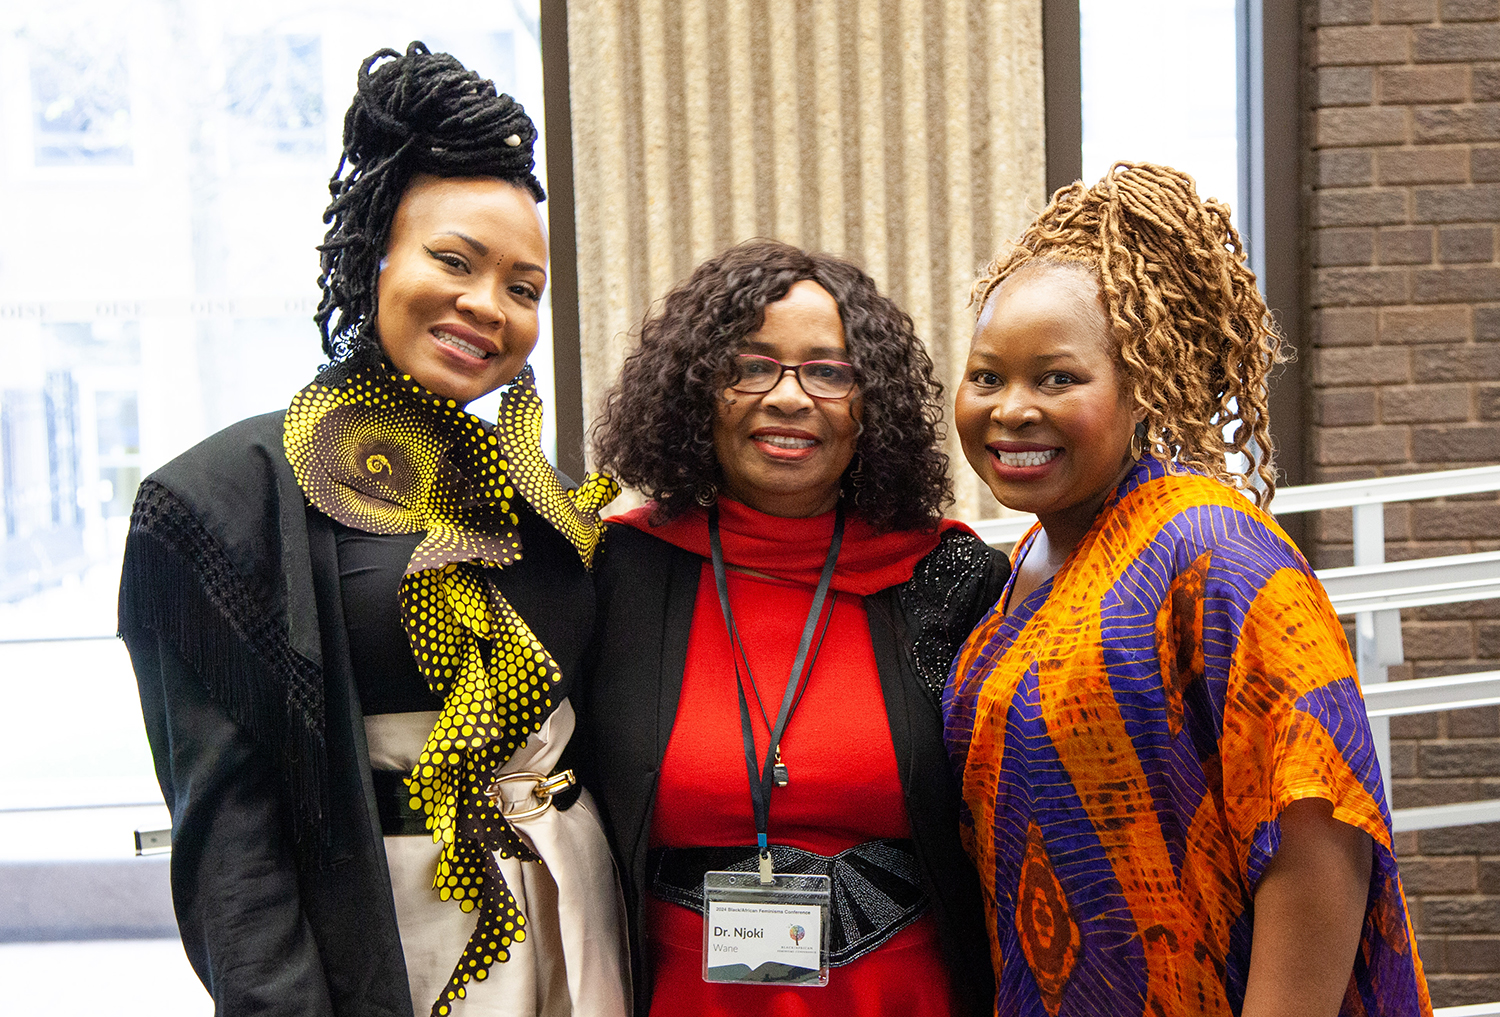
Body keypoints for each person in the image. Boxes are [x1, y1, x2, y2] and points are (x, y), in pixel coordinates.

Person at [119, 43, 628, 1017]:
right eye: (454, 261)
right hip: (396, 936)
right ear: (373, 255)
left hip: (577, 917)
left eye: (523, 288)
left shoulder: (539, 491)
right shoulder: (217, 503)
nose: (489, 306)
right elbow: (232, 845)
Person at [945, 162, 1431, 1017]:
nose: (1012, 408)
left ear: (1140, 386)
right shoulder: (1022, 567)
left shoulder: (1214, 551)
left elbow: (1319, 834)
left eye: (1057, 378)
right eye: (988, 376)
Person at [580, 238, 1008, 1017]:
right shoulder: (621, 574)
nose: (788, 395)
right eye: (750, 366)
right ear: (697, 393)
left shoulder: (948, 579)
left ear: (866, 402)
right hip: (686, 996)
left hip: (900, 993)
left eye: (827, 370)